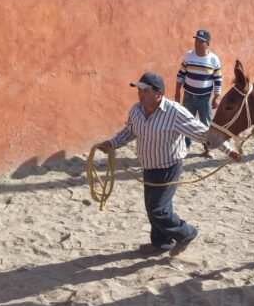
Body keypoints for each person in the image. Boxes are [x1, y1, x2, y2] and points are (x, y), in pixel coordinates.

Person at [98, 72, 239, 254]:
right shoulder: (136, 110)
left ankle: (187, 233)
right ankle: (161, 243)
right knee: (153, 209)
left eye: (146, 91)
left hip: (169, 167)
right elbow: (130, 131)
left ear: (159, 94)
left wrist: (229, 150)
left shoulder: (174, 112)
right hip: (148, 166)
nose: (141, 95)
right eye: (139, 91)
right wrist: (112, 143)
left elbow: (202, 132)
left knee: (159, 211)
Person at [175, 29, 222, 158]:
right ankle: (185, 147)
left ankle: (208, 149)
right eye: (196, 40)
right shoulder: (188, 56)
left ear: (208, 44)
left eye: (201, 41)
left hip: (205, 98)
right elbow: (181, 75)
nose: (197, 43)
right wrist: (177, 92)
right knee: (186, 122)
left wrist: (217, 97)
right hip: (189, 96)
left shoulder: (214, 59)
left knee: (206, 123)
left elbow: (218, 79)